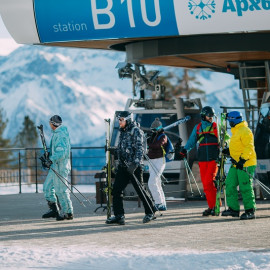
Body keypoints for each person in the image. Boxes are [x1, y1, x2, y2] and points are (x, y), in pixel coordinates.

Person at [106, 111, 157, 225]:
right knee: (117, 190)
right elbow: (122, 148)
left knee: (140, 190)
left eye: (121, 120)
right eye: (119, 120)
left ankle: (150, 211)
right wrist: (112, 150)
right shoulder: (123, 132)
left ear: (128, 120)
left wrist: (135, 164)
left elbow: (140, 149)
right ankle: (119, 215)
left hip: (134, 167)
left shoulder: (136, 131)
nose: (120, 122)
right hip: (123, 166)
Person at [179, 106, 219, 216]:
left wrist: (226, 147)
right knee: (205, 185)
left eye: (212, 116)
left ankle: (215, 206)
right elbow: (192, 141)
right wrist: (185, 150)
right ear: (203, 116)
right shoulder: (198, 128)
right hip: (202, 160)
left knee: (210, 182)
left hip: (213, 159)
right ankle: (212, 206)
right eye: (209, 116)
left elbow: (225, 139)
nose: (211, 118)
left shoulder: (216, 127)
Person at [221, 111, 257, 220]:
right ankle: (234, 209)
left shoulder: (245, 131)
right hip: (236, 163)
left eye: (230, 121)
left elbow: (248, 147)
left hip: (246, 163)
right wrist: (229, 151)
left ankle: (250, 211)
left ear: (234, 120)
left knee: (245, 186)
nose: (229, 123)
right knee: (230, 184)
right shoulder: (236, 131)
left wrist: (242, 160)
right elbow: (238, 146)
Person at [41, 115, 74, 221]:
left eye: (50, 123)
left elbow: (62, 152)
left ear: (52, 124)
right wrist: (48, 156)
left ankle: (68, 212)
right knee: (47, 187)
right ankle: (54, 209)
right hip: (55, 165)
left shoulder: (60, 135)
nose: (49, 125)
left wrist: (51, 160)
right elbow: (57, 150)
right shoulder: (57, 133)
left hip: (60, 166)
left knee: (61, 190)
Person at [147, 118, 167, 211]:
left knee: (152, 182)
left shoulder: (163, 136)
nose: (153, 131)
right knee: (157, 182)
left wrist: (148, 144)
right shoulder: (152, 136)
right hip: (152, 160)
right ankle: (162, 203)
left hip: (160, 160)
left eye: (154, 129)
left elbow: (158, 145)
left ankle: (158, 203)